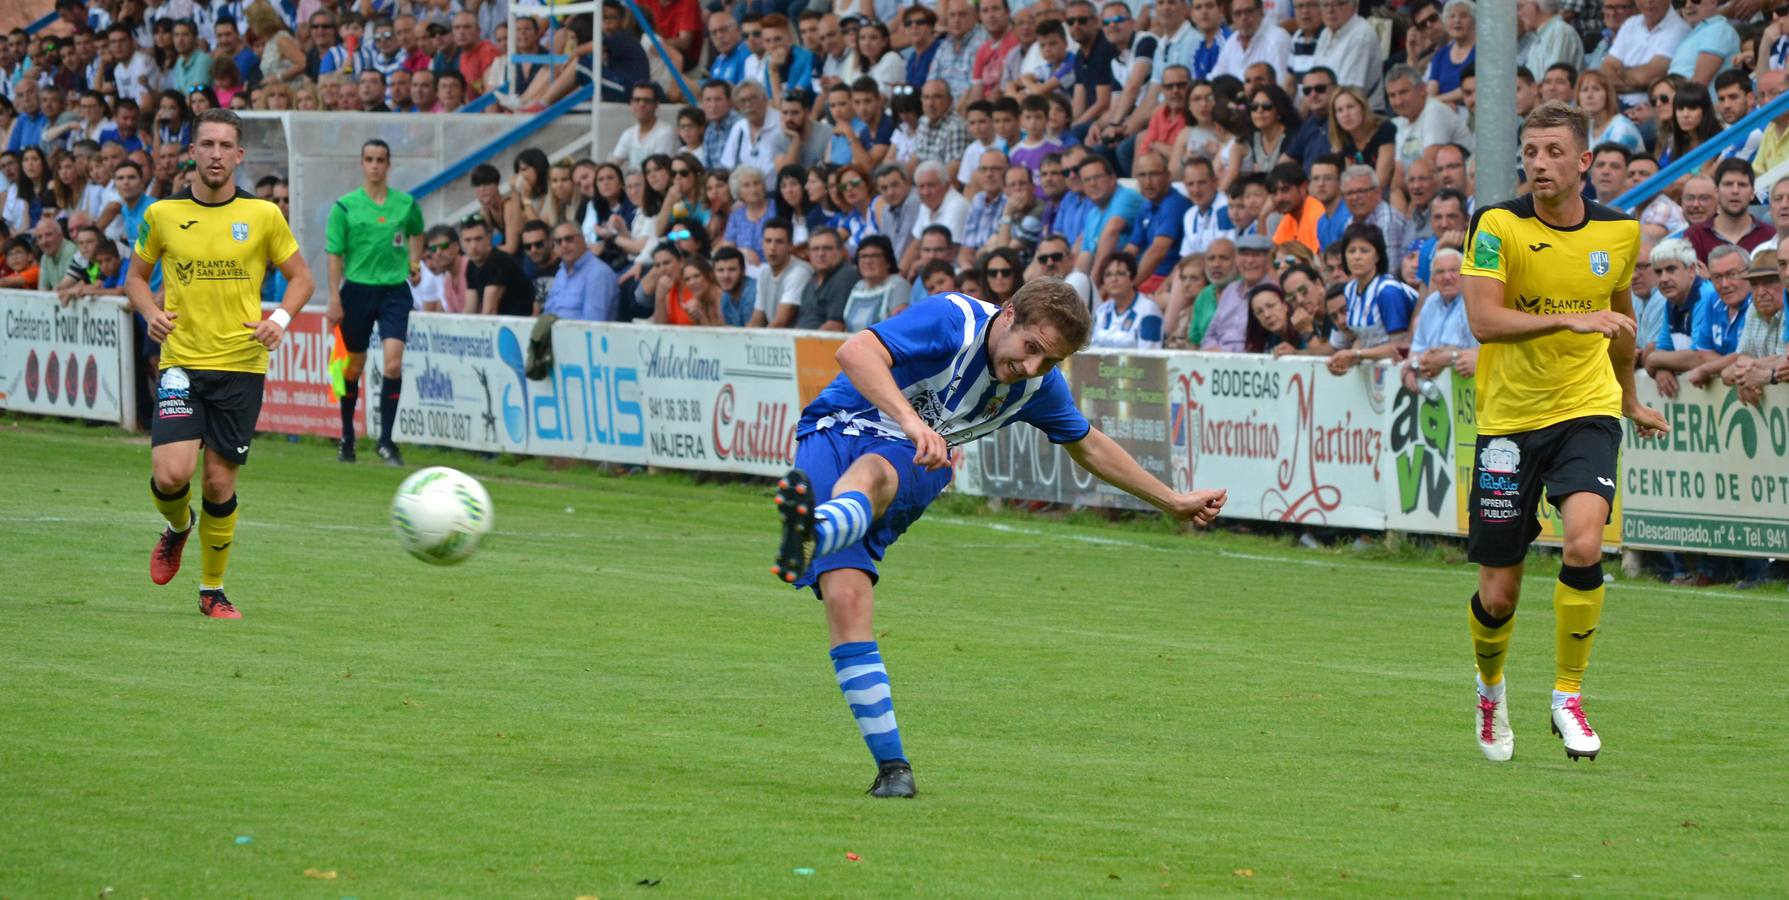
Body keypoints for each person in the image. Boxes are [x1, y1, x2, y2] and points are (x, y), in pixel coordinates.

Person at [768, 278, 1228, 797]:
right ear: (1008, 315)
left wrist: (1172, 500)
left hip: (920, 458)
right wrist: (909, 419)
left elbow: (1089, 445)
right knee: (846, 599)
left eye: (1049, 362)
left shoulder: (1037, 385)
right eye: (1032, 349)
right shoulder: (953, 319)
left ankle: (814, 530)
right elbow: (855, 351)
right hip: (833, 428)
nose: (1032, 368)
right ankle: (894, 769)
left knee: (876, 472)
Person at [1458, 100, 1670, 764]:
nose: (1539, 163)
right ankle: (1490, 690)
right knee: (1500, 591)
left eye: (1553, 152)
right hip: (1507, 421)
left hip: (1586, 409)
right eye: (1530, 152)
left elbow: (1619, 316)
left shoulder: (1619, 232)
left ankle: (1566, 696)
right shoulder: (1495, 225)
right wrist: (1566, 321)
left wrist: (1630, 397)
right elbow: (1484, 322)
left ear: (1583, 162)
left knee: (1583, 542)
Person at [130, 108, 315, 620]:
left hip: (240, 366)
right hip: (181, 364)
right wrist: (149, 312)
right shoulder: (162, 214)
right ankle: (177, 526)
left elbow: (302, 278)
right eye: (206, 144)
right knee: (172, 474)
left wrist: (279, 317)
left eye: (225, 145)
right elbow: (136, 279)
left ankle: (212, 590)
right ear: (192, 152)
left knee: (218, 483)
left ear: (239, 155)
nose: (215, 154)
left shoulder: (262, 216)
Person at [325, 139, 425, 467]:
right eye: (369, 159)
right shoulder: (345, 207)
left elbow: (417, 231)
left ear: (389, 164)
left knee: (393, 363)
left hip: (394, 291)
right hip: (357, 290)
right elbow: (334, 254)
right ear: (361, 163)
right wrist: (334, 297)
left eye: (380, 159)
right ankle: (347, 436)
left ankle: (386, 441)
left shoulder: (405, 204)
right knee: (353, 367)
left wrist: (414, 262)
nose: (375, 165)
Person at [543, 222, 621, 321]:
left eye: (569, 239)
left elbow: (593, 324)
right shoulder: (561, 272)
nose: (564, 245)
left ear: (583, 239)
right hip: (554, 333)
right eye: (559, 241)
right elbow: (547, 313)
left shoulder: (599, 273)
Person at [1090, 252, 1165, 349]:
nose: (1114, 279)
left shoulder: (1149, 310)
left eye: (1120, 274)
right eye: (1108, 274)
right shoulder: (1102, 311)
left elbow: (1150, 357)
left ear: (1132, 279)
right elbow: (1093, 351)